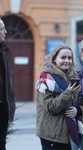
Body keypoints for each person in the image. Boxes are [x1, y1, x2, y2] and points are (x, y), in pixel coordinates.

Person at [35, 44, 83, 150]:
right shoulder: (45, 80)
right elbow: (51, 107)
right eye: (63, 57)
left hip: (70, 132)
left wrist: (78, 110)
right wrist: (69, 92)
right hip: (52, 134)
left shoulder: (75, 77)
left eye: (69, 58)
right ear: (54, 59)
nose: (67, 61)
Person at [0, 19, 16, 150]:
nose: (5, 31)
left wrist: (10, 104)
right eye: (1, 29)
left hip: (2, 106)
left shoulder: (5, 49)